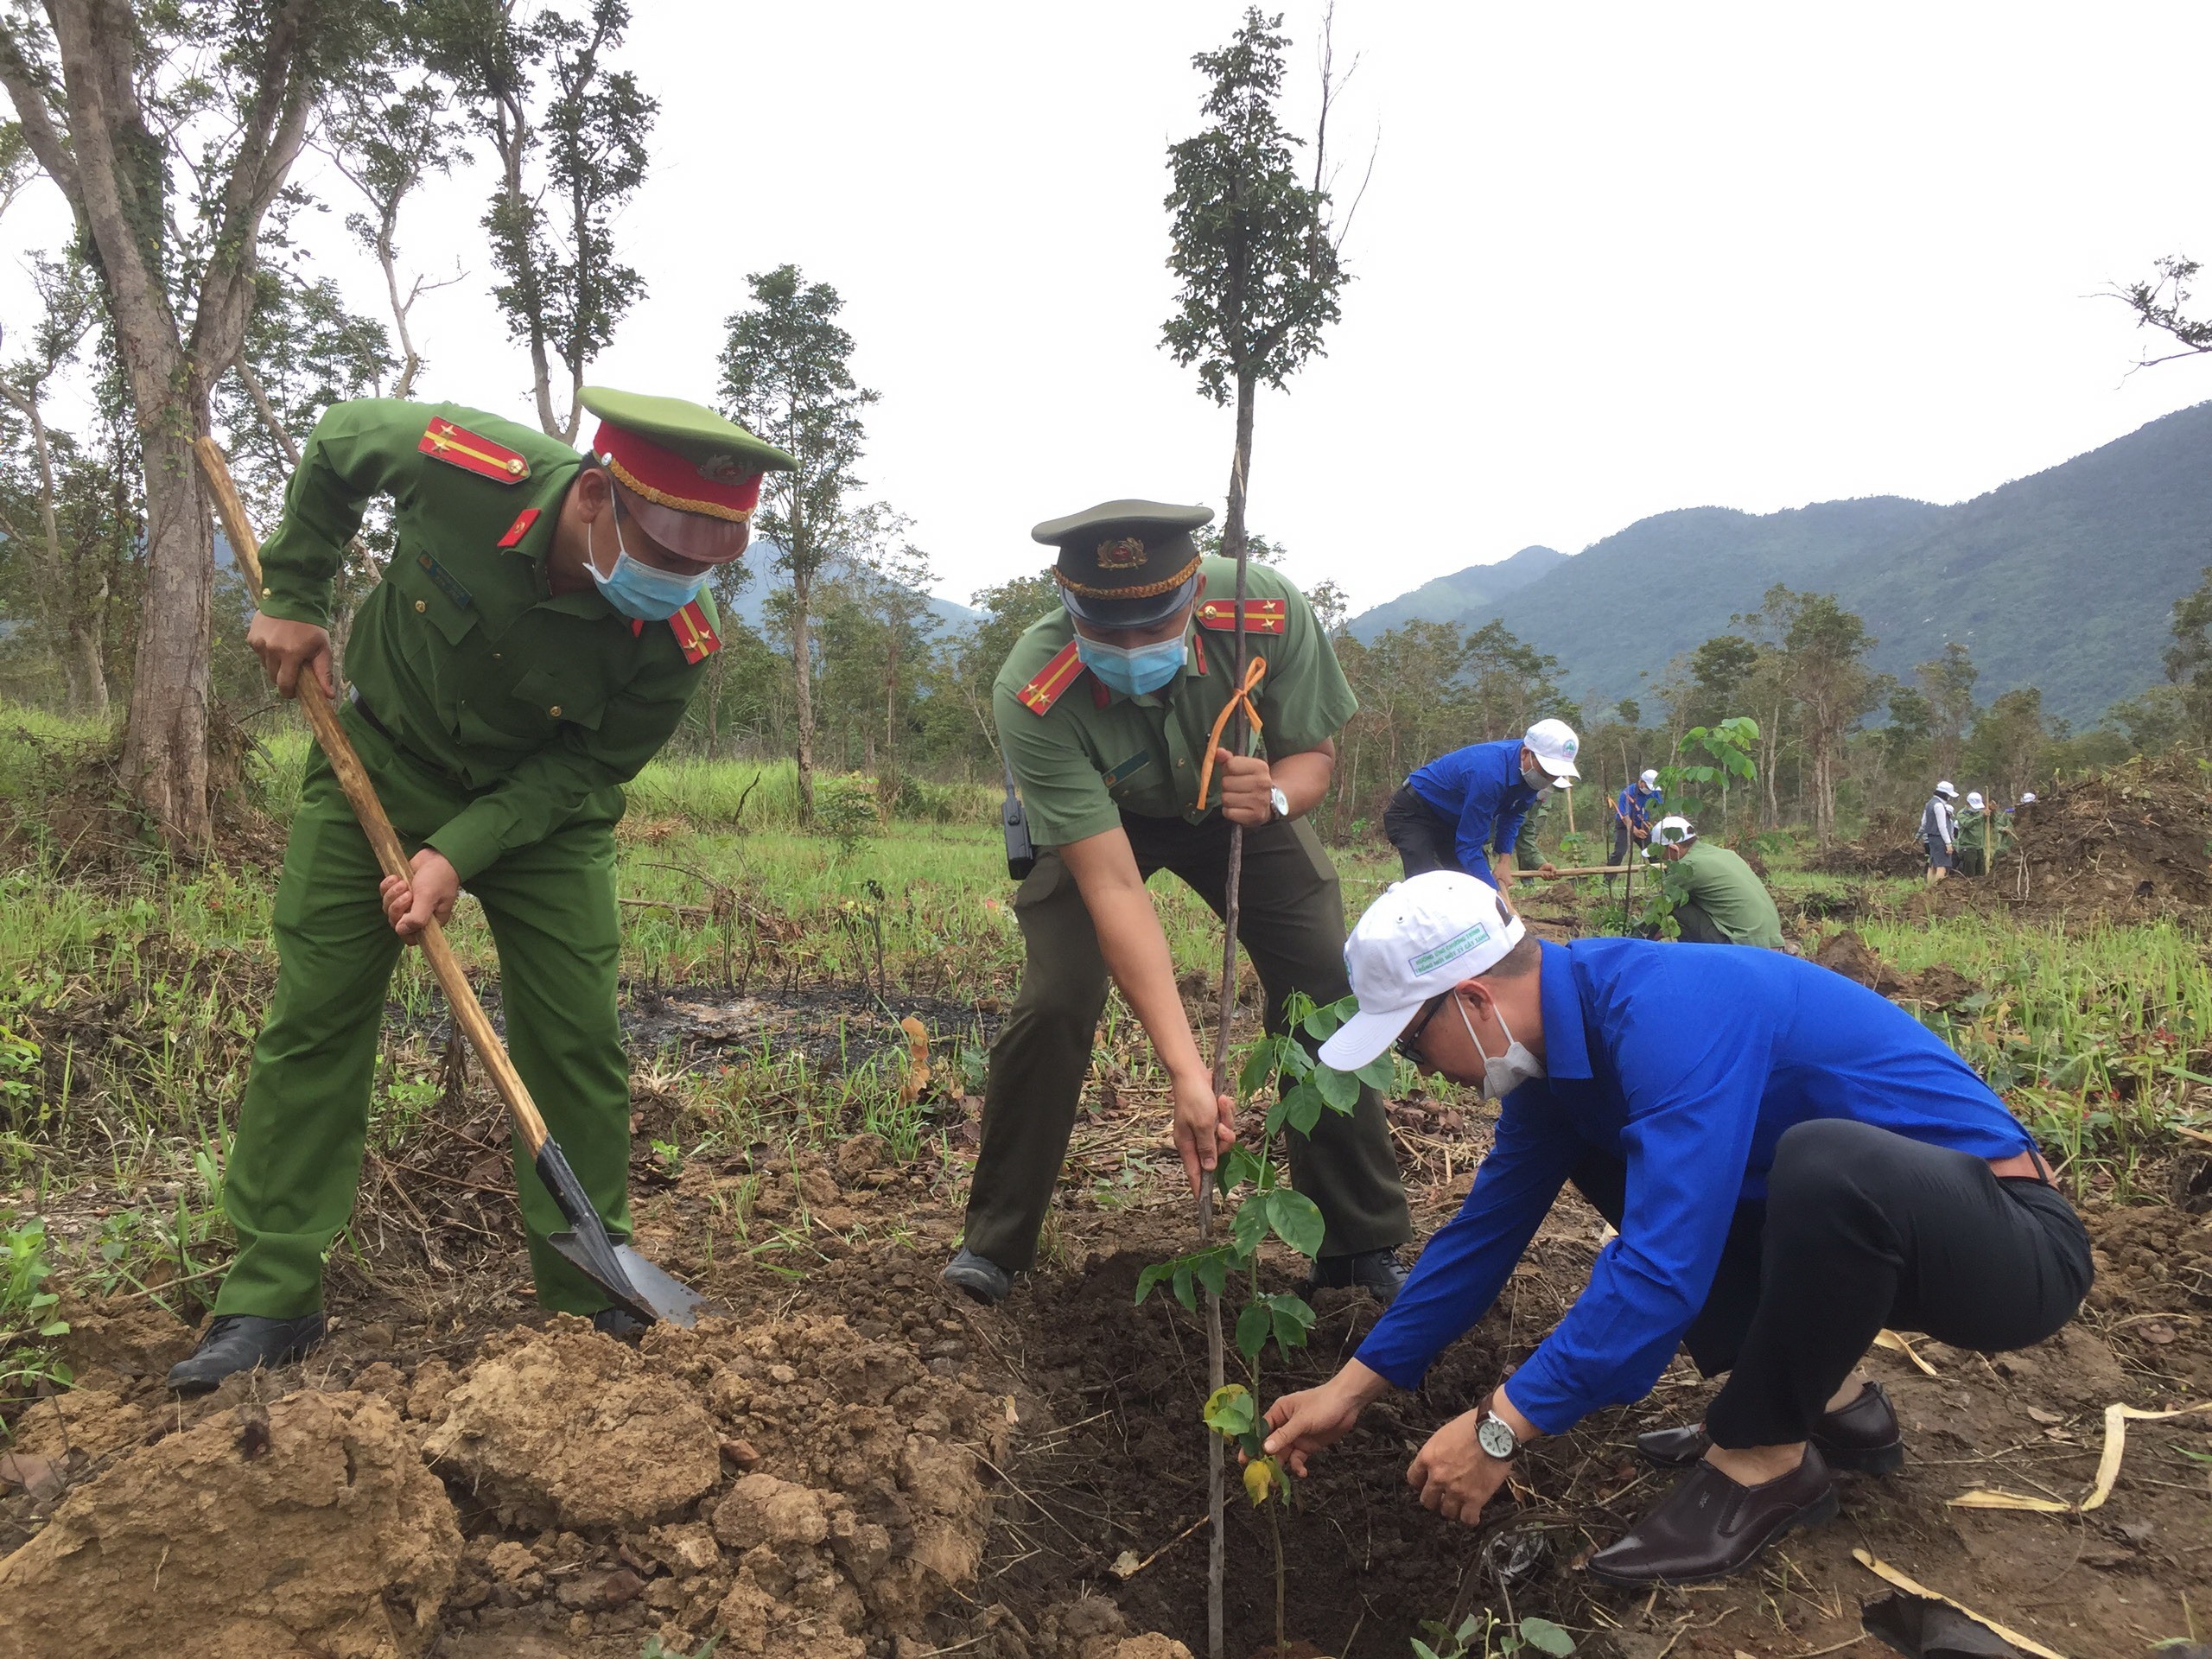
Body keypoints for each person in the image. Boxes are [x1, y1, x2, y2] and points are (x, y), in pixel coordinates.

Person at [167, 391, 793, 1393]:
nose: (682, 584)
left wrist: (456, 853)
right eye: (667, 553)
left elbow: (586, 772)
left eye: (709, 564)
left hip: (540, 817)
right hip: (379, 756)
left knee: (575, 1038)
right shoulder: (467, 468)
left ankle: (588, 1294)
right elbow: (335, 445)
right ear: (594, 494)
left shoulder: (681, 639)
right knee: (318, 1016)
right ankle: (272, 1293)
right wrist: (292, 592)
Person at [1258, 872, 2088, 1586]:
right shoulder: (1559, 1054)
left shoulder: (1669, 1012)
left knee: (1823, 1162)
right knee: (1614, 1150)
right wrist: (1353, 1387)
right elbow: (1482, 1235)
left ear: (1472, 1000)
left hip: (2009, 1252)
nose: (1424, 1070)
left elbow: (1663, 1267)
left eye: (1412, 1043)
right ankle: (1833, 1404)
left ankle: (1765, 1460)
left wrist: (1500, 1426)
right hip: (1871, 1246)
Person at [941, 501, 1412, 1307]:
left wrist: (1274, 798)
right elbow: (1115, 886)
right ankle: (996, 1244)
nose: (1130, 648)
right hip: (1102, 826)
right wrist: (1186, 1073)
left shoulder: (1262, 614)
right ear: (1068, 604)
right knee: (1055, 1000)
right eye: (1106, 629)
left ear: (1194, 591)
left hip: (1241, 806)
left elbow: (1313, 759)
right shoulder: (1034, 687)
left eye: (1153, 624)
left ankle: (1355, 1245)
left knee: (1326, 987)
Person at [1382, 721, 1580, 897]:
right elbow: (1468, 846)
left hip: (1451, 819)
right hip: (1414, 811)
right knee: (1425, 886)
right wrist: (1497, 900)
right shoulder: (1489, 774)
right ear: (1526, 753)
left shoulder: (1531, 776)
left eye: (1555, 775)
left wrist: (1504, 861)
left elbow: (1514, 815)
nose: (1549, 779)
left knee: (1468, 884)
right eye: (1546, 772)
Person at [1643, 816, 1785, 948]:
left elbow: (1657, 908)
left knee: (1679, 908)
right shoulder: (1725, 854)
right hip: (1773, 941)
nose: (1663, 862)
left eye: (1661, 856)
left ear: (1673, 849)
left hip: (1744, 945)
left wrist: (1635, 938)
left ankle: (1697, 964)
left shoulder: (1688, 866)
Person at [1611, 768, 1662, 876]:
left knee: (1653, 852)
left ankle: (1663, 879)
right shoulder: (1626, 794)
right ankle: (1608, 881)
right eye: (1648, 787)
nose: (1650, 790)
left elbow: (1663, 808)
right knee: (1619, 852)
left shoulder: (1654, 793)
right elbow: (1625, 817)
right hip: (1625, 826)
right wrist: (1635, 831)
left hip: (1643, 824)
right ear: (1642, 782)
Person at [1920, 780, 1960, 883]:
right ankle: (1938, 889)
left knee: (1933, 864)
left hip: (1931, 837)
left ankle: (1930, 887)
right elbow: (1942, 826)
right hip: (1940, 838)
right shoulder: (1939, 806)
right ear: (1945, 794)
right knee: (1942, 866)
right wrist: (1948, 843)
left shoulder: (1929, 804)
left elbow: (1924, 823)